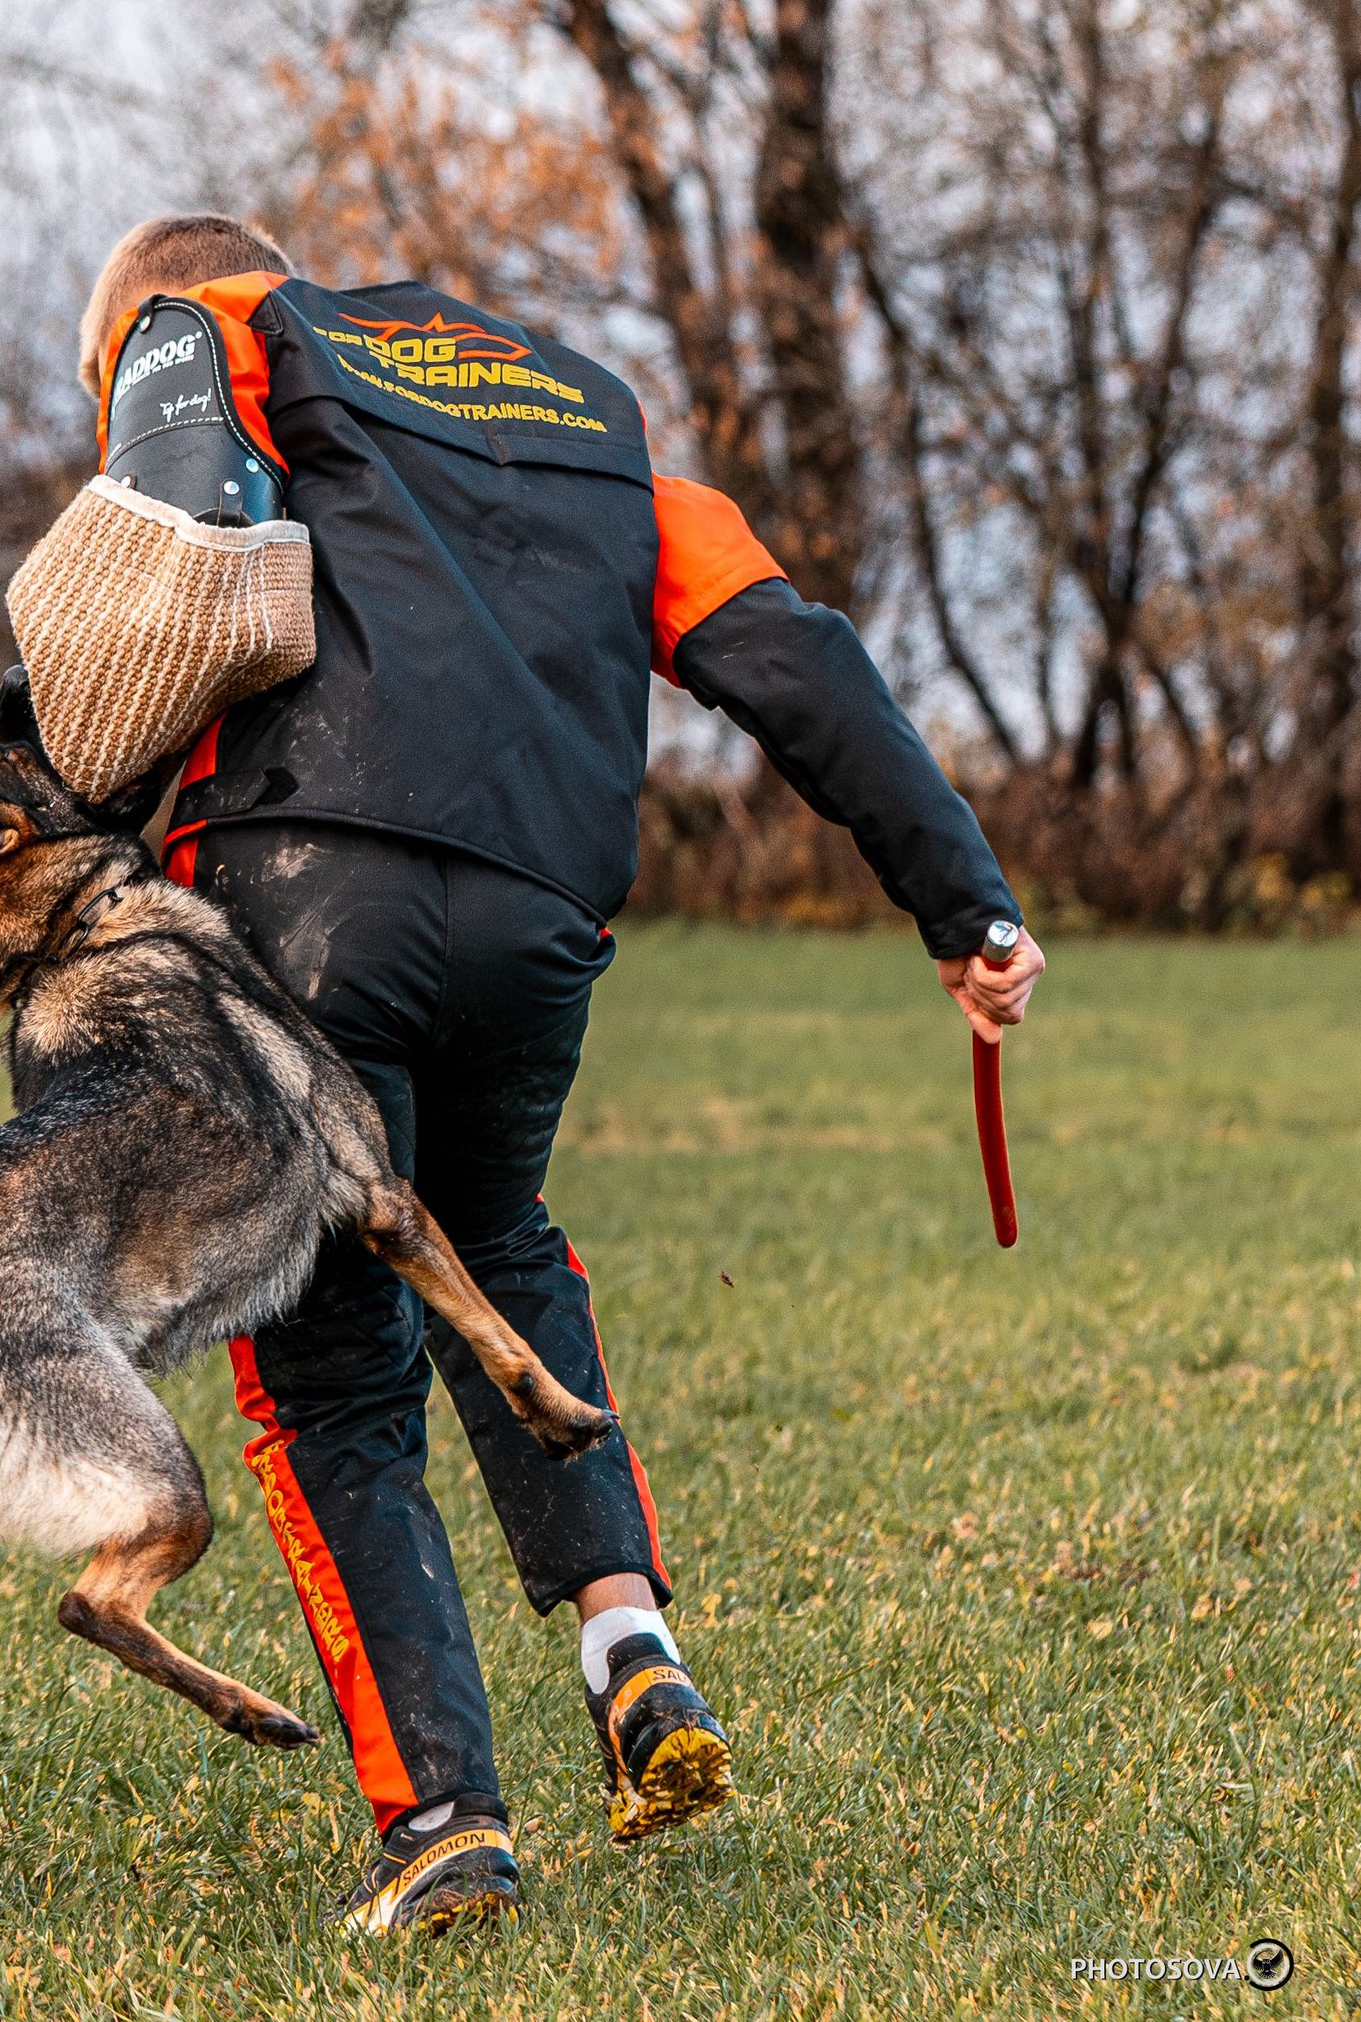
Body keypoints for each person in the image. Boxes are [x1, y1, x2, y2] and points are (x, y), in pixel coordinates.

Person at [65, 214, 1045, 1933]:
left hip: (303, 895)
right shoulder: (588, 414)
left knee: (330, 1375)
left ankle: (441, 1820)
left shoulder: (211, 331)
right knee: (498, 1244)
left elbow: (145, 597)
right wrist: (964, 901)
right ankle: (630, 1645)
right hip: (537, 917)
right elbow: (792, 658)